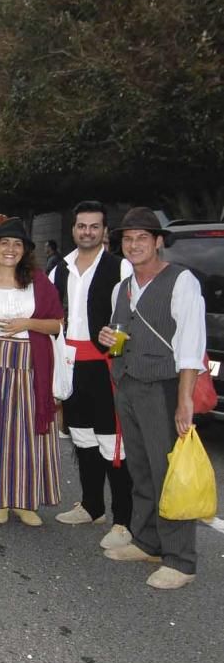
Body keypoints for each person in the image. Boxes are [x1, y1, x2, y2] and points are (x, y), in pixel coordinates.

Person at [99, 207, 205, 590]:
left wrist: (184, 401)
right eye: (128, 239)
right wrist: (108, 340)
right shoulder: (122, 286)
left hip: (162, 386)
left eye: (142, 238)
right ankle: (147, 540)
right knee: (140, 469)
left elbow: (191, 345)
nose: (134, 245)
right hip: (127, 383)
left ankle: (181, 559)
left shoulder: (181, 281)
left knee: (168, 474)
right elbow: (119, 335)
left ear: (159, 242)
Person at [0, 217, 64, 526]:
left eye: (17, 244)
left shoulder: (38, 281)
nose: (10, 249)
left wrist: (27, 323)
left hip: (29, 364)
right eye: (5, 243)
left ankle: (25, 501)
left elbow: (56, 324)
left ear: (25, 251)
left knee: (27, 434)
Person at [51, 201, 134, 549]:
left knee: (113, 442)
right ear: (73, 230)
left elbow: (134, 315)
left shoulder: (121, 267)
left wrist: (117, 344)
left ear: (104, 232)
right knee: (82, 437)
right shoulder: (60, 269)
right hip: (70, 364)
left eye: (94, 226)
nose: (87, 231)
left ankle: (124, 521)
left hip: (105, 366)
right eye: (81, 226)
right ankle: (91, 506)